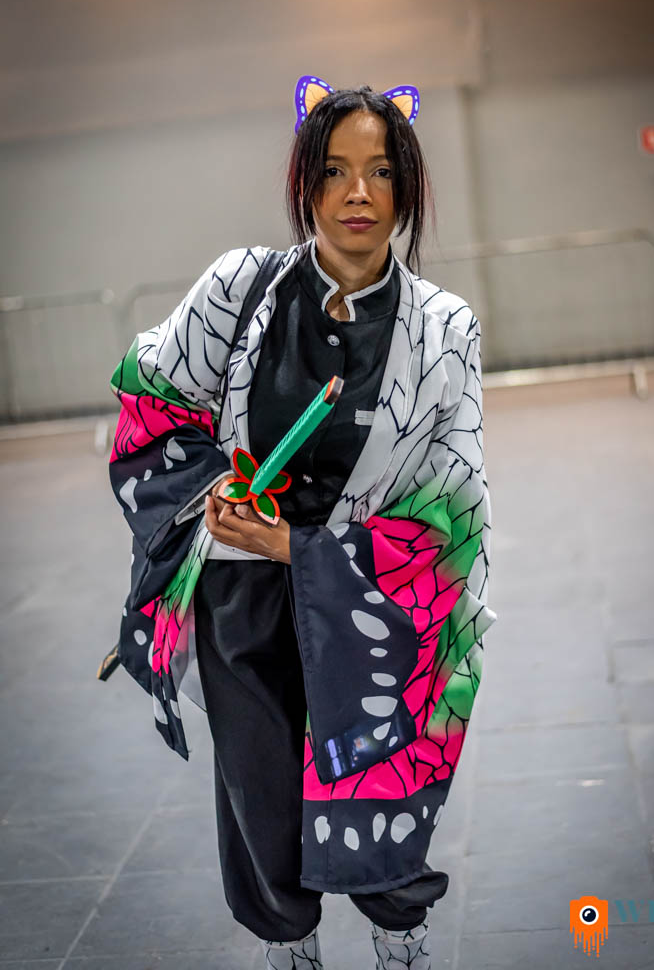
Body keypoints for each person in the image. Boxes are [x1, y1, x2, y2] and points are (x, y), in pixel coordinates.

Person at [106, 76, 495, 970]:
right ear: (304, 184)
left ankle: (400, 938)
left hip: (370, 604)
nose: (358, 192)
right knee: (260, 786)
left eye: (380, 171)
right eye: (334, 170)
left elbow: (453, 505)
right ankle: (290, 947)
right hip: (241, 597)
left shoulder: (445, 328)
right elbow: (149, 403)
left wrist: (303, 546)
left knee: (380, 773)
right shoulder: (238, 287)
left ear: (407, 187)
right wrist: (211, 490)